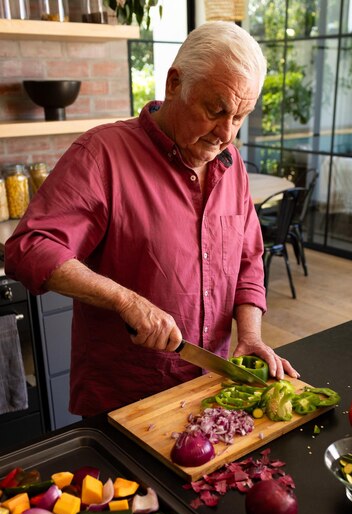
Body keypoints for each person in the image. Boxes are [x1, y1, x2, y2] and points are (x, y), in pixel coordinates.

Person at [5, 21, 299, 418]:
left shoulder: (231, 165)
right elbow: (29, 247)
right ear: (175, 84)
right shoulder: (103, 154)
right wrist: (125, 300)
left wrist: (249, 335)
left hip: (211, 390)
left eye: (241, 116)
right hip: (126, 400)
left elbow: (248, 261)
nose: (226, 133)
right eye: (217, 111)